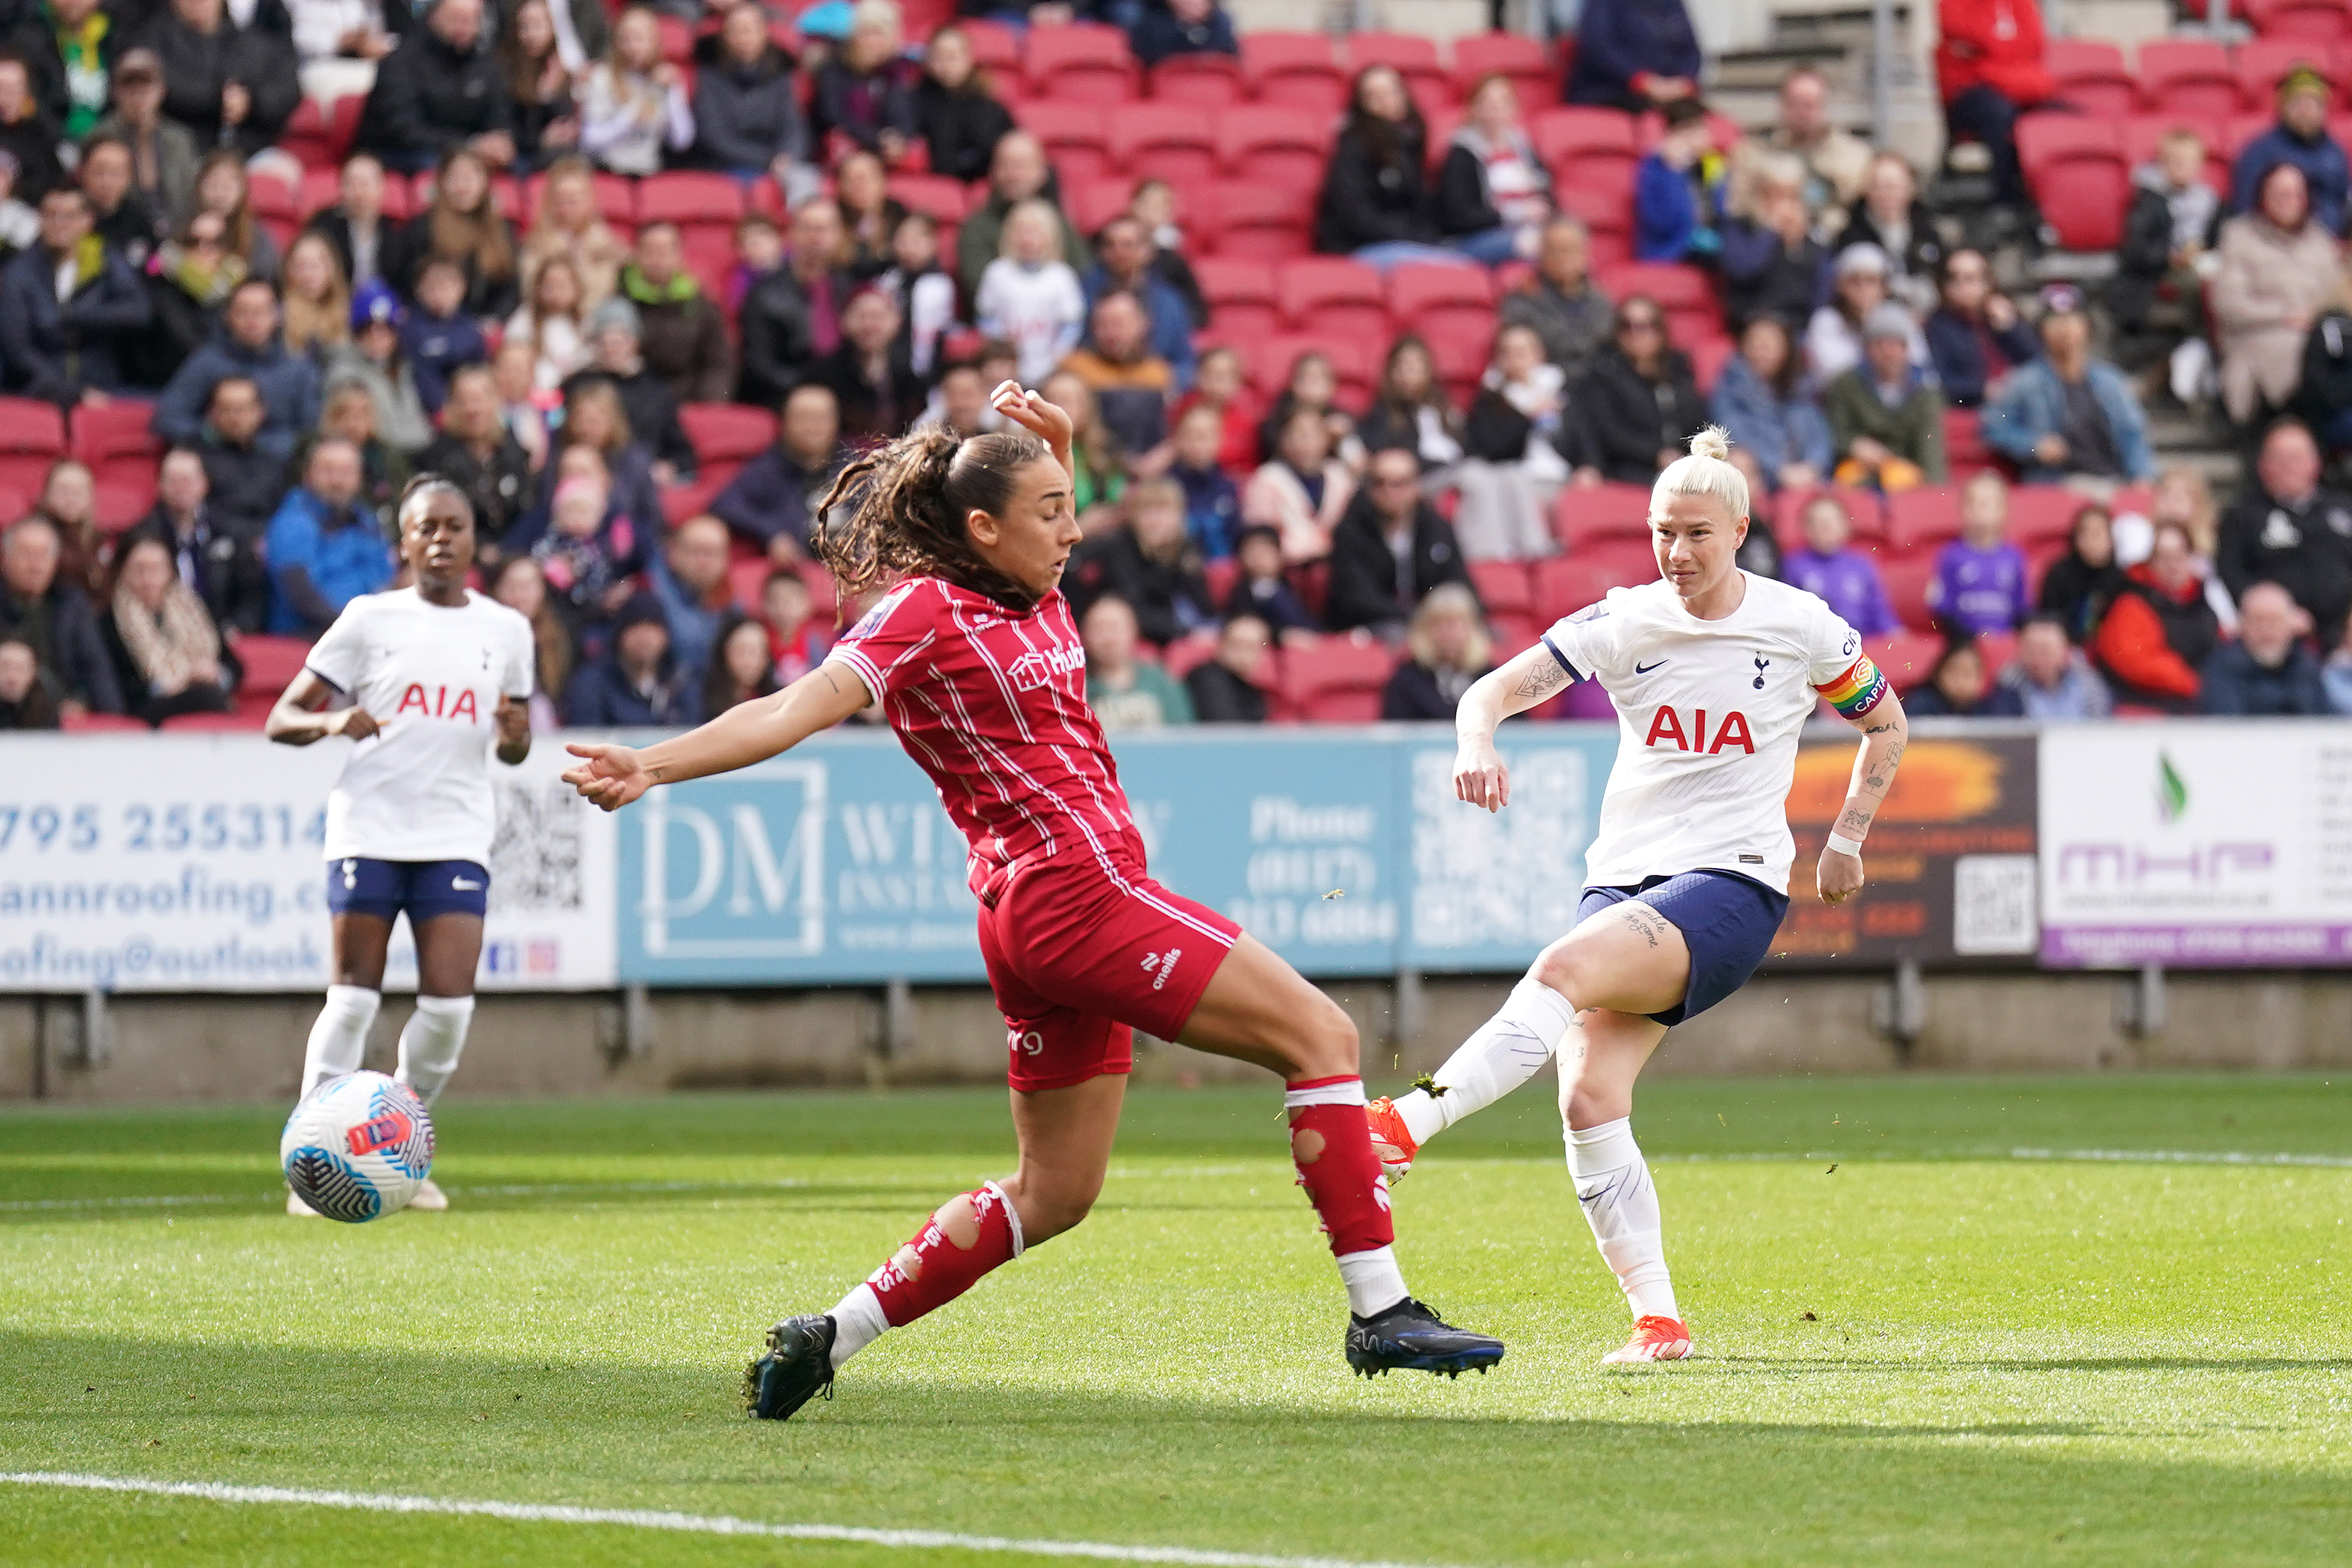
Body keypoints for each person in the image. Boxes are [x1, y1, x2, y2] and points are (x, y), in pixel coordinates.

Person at [563, 387, 1504, 1417]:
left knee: (1054, 1192)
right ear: (982, 529)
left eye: (1070, 505)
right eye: (1051, 510)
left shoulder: (1031, 590)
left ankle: (831, 1334)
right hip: (1078, 892)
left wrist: (1053, 451)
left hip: (1030, 913)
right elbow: (796, 707)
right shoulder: (924, 615)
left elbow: (1041, 523)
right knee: (1320, 1034)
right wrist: (653, 763)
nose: (1070, 529)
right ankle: (1381, 1311)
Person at [1363, 426, 1909, 1366]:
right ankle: (1658, 1321)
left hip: (1731, 883)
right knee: (1585, 1095)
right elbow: (1485, 693)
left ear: (1739, 529)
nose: (1676, 552)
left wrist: (1846, 838)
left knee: (1562, 970)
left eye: (1696, 533)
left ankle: (1403, 1125)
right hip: (1623, 877)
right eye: (1661, 532)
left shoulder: (1801, 624)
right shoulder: (1623, 622)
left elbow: (1886, 724)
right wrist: (1474, 742)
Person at [269, 476, 533, 1215]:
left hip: (456, 831)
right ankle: (314, 1165)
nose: (442, 538)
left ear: (474, 538)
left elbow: (512, 745)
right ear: (406, 543)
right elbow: (282, 717)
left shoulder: (506, 630)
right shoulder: (367, 618)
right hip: (370, 826)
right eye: (427, 528)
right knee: (352, 997)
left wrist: (518, 739)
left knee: (448, 1012)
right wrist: (331, 723)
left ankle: (394, 1150)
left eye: (456, 525)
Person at [1981, 290, 2157, 486]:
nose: (2065, 328)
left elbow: (2132, 434)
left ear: (2086, 327)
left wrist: (2143, 477)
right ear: (2042, 330)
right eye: (2055, 322)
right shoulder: (2025, 381)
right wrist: (2033, 446)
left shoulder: (2110, 381)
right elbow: (1994, 426)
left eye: (2072, 320)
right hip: (2054, 483)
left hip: (2113, 480)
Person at [2211, 162, 2340, 430]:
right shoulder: (2238, 236)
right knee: (2297, 349)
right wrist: (2284, 315)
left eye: (2295, 194)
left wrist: (2316, 317)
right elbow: (2228, 304)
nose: (2288, 202)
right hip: (2257, 334)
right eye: (2279, 194)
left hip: (2317, 329)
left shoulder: (2320, 239)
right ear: (2263, 196)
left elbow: (2337, 294)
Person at [0, 185, 148, 408]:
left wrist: (75, 315)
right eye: (51, 215)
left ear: (87, 221)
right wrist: (73, 393)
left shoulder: (105, 259)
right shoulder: (18, 272)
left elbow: (138, 311)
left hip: (105, 384)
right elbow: (17, 349)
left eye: (69, 216)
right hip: (41, 391)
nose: (60, 224)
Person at [2215, 419, 2352, 644]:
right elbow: (2231, 574)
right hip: (2275, 639)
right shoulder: (2242, 517)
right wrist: (2274, 614)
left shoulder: (2344, 510)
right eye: (2278, 459)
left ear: (2316, 463)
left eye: (2296, 458)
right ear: (2262, 466)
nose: (2288, 466)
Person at [154, 278, 322, 460]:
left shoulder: (298, 370)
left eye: (260, 312)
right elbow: (168, 418)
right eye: (243, 312)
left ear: (276, 316)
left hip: (275, 466)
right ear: (228, 317)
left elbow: (309, 435)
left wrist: (255, 443)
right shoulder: (206, 362)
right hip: (214, 463)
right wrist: (214, 435)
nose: (252, 321)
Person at [356, 0, 514, 175]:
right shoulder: (400, 63)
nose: (465, 27)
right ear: (434, 17)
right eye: (458, 19)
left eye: (473, 20)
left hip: (467, 156)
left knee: (518, 166)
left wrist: (500, 142)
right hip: (400, 157)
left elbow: (499, 117)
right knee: (441, 167)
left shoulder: (486, 66)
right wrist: (469, 145)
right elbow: (404, 131)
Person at [1454, 322, 1570, 563]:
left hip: (1559, 476)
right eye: (1506, 353)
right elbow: (1493, 450)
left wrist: (1589, 466)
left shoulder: (1561, 389)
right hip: (1516, 478)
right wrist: (1528, 417)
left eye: (1521, 352)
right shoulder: (1491, 399)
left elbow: (1581, 437)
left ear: (1539, 355)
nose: (1514, 360)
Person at [1564, 298, 1709, 487]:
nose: (1635, 334)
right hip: (1626, 470)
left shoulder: (1678, 371)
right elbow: (1609, 432)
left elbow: (1697, 422)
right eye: (1627, 326)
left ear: (1660, 331)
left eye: (1645, 326)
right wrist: (1656, 454)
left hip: (1681, 465)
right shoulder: (1603, 374)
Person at [1316, 66, 1449, 269]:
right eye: (1374, 96)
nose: (1386, 101)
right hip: (1359, 247)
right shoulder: (1353, 147)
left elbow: (1420, 206)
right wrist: (1409, 235)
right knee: (1448, 268)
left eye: (1392, 92)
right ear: (1362, 104)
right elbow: (1356, 215)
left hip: (1404, 241)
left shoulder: (1410, 141)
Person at [129, 446, 270, 635]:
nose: (180, 489)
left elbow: (251, 592)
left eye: (187, 481)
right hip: (164, 635)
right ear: (160, 486)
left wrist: (238, 627)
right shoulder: (143, 537)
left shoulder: (227, 531)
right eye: (173, 482)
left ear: (204, 484)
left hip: (220, 634)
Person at [263, 439, 395, 636]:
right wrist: (348, 629)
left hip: (367, 633)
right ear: (307, 475)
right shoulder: (293, 522)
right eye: (327, 470)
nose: (337, 481)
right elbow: (300, 594)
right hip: (310, 638)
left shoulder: (367, 522)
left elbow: (386, 581)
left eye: (347, 472)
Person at [137, 0, 299, 161]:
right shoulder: (153, 41)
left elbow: (287, 89)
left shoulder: (251, 43)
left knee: (279, 171)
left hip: (250, 150)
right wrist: (218, 99)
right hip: (178, 153)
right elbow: (163, 86)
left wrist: (251, 101)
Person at [103, 533, 236, 726]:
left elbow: (234, 666)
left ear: (170, 572)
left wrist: (216, 673)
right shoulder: (109, 620)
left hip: (205, 692)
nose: (148, 579)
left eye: (157, 569)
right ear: (122, 572)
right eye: (139, 570)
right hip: (148, 707)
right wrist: (172, 684)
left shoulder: (191, 609)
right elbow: (117, 684)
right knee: (209, 698)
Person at [2112, 129, 2216, 371]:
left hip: (2199, 261)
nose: (2184, 169)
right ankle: (2196, 343)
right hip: (2157, 271)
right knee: (2195, 285)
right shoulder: (2148, 199)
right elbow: (2136, 248)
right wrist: (2169, 257)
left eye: (2191, 163)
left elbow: (2214, 234)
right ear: (2163, 164)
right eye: (2177, 162)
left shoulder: (2208, 200)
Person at [1066, 478, 1215, 647]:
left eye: (1163, 511)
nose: (1155, 521)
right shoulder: (1119, 546)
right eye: (1147, 512)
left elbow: (1201, 604)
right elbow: (1135, 609)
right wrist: (1185, 632)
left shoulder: (1186, 549)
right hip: (1123, 628)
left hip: (1168, 627)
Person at [1935, 0, 2054, 207]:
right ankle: (2006, 200)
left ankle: (2052, 198)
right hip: (1970, 91)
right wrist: (2008, 56)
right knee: (2000, 114)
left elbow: (2035, 42)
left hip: (2019, 87)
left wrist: (1992, 57)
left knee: (2062, 114)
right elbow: (1961, 30)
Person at [565, 298, 696, 486]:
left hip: (644, 475)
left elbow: (679, 448)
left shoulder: (655, 389)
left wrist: (670, 467)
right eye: (605, 342)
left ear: (634, 342)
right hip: (588, 473)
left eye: (618, 341)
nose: (611, 349)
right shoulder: (579, 384)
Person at [738, 197, 855, 408]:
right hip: (785, 398)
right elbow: (760, 366)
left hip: (843, 398)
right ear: (792, 234)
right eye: (807, 229)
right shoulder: (765, 294)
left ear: (839, 236)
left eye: (824, 230)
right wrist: (807, 392)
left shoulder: (849, 288)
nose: (815, 238)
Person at [0, 515, 123, 715]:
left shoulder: (71, 602)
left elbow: (95, 667)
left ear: (55, 561)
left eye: (43, 555)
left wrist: (112, 721)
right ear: (6, 559)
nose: (35, 565)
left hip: (69, 719)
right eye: (25, 554)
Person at [2090, 520, 2219, 711]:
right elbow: (2135, 661)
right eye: (2164, 557)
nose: (2173, 565)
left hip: (2199, 701)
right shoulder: (2131, 603)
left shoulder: (2202, 597)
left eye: (2180, 556)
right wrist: (2195, 684)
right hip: (2147, 706)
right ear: (2150, 562)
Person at [1724, 67, 1871, 230]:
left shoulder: (1854, 156)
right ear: (1782, 105)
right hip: (1769, 239)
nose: (1801, 113)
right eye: (1793, 104)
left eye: (1809, 105)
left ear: (1824, 106)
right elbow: (1738, 205)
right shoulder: (1753, 152)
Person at [384, 146, 520, 321]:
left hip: (485, 321)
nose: (463, 186)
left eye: (470, 178)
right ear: (442, 183)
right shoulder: (423, 227)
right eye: (455, 178)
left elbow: (512, 287)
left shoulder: (503, 229)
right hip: (430, 322)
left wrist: (495, 319)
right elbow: (405, 280)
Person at [715, 384, 846, 560]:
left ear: (836, 423)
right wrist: (772, 533)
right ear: (784, 423)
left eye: (821, 418)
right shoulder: (768, 469)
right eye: (803, 418)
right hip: (798, 570)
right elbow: (727, 504)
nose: (813, 427)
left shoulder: (853, 466)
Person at [1824, 303, 1947, 490]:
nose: (1888, 352)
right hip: (1856, 470)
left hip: (1903, 474)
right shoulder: (1845, 385)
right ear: (1867, 348)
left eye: (1895, 344)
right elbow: (1832, 430)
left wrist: (1935, 491)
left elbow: (1930, 447)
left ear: (1906, 349)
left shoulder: (1924, 392)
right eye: (1879, 344)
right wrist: (1853, 444)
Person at [1436, 75, 1553, 266]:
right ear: (1473, 108)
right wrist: (1514, 214)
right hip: (1477, 237)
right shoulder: (1462, 152)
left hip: (1530, 229)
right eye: (1487, 102)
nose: (1495, 108)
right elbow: (1460, 215)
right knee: (1540, 245)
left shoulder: (1522, 145)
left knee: (1568, 237)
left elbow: (1545, 186)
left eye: (1503, 101)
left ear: (1515, 107)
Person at [954, 132, 1085, 302]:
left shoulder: (1057, 222)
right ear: (993, 172)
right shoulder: (977, 227)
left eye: (1022, 166)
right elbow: (980, 291)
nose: (1013, 175)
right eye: (1006, 166)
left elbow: (1082, 276)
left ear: (1042, 173)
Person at [420, 364, 534, 558]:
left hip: (515, 553)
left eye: (480, 400)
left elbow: (529, 509)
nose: (473, 409)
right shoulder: (435, 458)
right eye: (463, 401)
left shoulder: (513, 451)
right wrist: (480, 549)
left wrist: (510, 550)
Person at [1709, 315, 1830, 497]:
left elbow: (1818, 435)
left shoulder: (1801, 389)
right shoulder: (1729, 389)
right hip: (1761, 476)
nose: (1761, 353)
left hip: (1804, 476)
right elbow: (1732, 434)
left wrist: (1813, 467)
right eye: (1755, 345)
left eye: (1768, 346)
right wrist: (1778, 470)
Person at [619, 223, 733, 406]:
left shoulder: (701, 305)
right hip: (634, 400)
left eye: (664, 252)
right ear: (636, 254)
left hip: (687, 397)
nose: (657, 260)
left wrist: (709, 404)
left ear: (679, 255)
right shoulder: (619, 301)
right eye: (649, 252)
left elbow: (717, 363)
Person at [977, 198, 1085, 390]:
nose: (1028, 239)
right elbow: (986, 318)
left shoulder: (1061, 276)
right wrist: (1002, 351)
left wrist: (1057, 357)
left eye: (1036, 232)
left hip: (1049, 368)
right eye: (1021, 231)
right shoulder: (997, 273)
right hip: (1005, 370)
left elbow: (1072, 323)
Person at [693, 2, 805, 185]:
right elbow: (713, 135)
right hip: (726, 165)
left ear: (764, 34)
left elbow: (792, 127)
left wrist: (787, 156)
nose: (742, 38)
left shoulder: (781, 76)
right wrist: (767, 160)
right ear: (724, 37)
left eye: (747, 30)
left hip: (778, 164)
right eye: (735, 31)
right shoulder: (710, 76)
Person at [1081, 216, 1195, 392]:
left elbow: (1184, 361)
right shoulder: (1084, 295)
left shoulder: (1169, 302)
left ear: (1148, 251)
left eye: (1128, 245)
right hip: (1096, 390)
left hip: (1152, 392)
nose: (1118, 252)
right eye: (1111, 245)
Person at [90, 50, 198, 234]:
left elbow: (189, 197)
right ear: (116, 92)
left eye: (146, 86)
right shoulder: (100, 138)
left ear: (161, 90)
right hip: (118, 235)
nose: (139, 96)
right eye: (130, 88)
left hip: (176, 235)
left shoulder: (180, 140)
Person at [1717, 155, 1828, 334]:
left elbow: (1821, 290)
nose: (1785, 205)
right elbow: (1742, 270)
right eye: (1777, 196)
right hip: (1752, 327)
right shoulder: (1741, 227)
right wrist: (1770, 233)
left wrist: (1796, 248)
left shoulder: (1810, 237)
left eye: (1793, 196)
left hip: (1798, 330)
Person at [2232, 67, 2348, 236]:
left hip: (2331, 246)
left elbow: (2344, 199)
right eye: (2298, 103)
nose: (2305, 111)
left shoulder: (2335, 152)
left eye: (2313, 104)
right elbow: (2245, 209)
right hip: (2276, 244)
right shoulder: (2259, 152)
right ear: (2283, 108)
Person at [580, 6, 694, 177]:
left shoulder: (665, 78)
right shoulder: (602, 77)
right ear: (616, 42)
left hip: (650, 169)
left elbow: (682, 141)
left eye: (640, 39)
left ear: (654, 42)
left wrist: (670, 93)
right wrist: (631, 117)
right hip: (608, 169)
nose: (633, 46)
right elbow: (589, 140)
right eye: (626, 39)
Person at [1058, 289, 1173, 454]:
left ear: (1143, 324)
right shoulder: (1075, 370)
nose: (1111, 334)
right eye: (1103, 325)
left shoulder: (1158, 374)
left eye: (1119, 324)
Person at [808, 285, 926, 445]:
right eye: (861, 317)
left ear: (896, 322)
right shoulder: (823, 375)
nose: (870, 327)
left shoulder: (908, 374)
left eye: (878, 317)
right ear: (844, 320)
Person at [1500, 217, 1613, 384]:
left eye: (1570, 249)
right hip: (1543, 390)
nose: (1562, 258)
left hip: (1597, 390)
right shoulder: (1522, 300)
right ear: (1541, 254)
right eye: (1554, 250)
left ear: (1585, 253)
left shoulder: (1602, 303)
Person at [325, 279, 431, 455]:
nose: (377, 336)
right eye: (368, 329)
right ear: (356, 334)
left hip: (413, 452)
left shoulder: (401, 368)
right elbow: (373, 433)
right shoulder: (345, 375)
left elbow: (418, 423)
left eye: (385, 329)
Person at [1924, 247, 2037, 409]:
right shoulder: (1939, 327)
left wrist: (2011, 328)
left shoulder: (2005, 315)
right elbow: (1941, 382)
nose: (1962, 286)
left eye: (1970, 279)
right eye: (1954, 279)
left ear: (1987, 282)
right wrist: (1982, 390)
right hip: (1978, 406)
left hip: (2021, 398)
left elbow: (2038, 362)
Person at [559, 587, 693, 723]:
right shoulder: (592, 684)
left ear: (666, 636)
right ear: (619, 635)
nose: (644, 638)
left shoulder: (681, 682)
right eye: (636, 627)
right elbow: (587, 734)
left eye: (652, 627)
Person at [1244, 405, 1354, 565]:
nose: (1307, 441)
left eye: (1314, 433)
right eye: (1299, 434)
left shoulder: (1340, 477)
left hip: (1336, 567)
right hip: (1288, 569)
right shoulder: (1267, 479)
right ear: (1283, 439)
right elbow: (1262, 538)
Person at [1924, 472, 2029, 637]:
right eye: (1971, 503)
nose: (1978, 509)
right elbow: (1942, 607)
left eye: (1986, 504)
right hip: (1964, 645)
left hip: (2004, 644)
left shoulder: (2014, 557)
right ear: (1961, 510)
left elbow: (2021, 609)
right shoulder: (1950, 556)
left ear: (2004, 510)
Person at [810, 0, 915, 161]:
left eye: (879, 34)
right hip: (839, 153)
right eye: (867, 32)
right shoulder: (833, 69)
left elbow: (904, 118)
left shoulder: (895, 72)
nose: (872, 41)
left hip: (882, 153)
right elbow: (833, 117)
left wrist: (897, 139)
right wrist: (877, 139)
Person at [1804, 244, 1923, 386]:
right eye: (1855, 281)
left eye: (1870, 281)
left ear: (1884, 287)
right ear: (1840, 286)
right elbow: (1832, 375)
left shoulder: (1898, 318)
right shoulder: (1826, 320)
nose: (1863, 289)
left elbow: (1921, 367)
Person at [1781, 493, 1898, 635]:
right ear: (1806, 529)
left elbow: (1881, 615)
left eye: (1832, 521)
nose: (1826, 528)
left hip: (1862, 645)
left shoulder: (1862, 565)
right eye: (1818, 523)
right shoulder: (1793, 566)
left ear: (1846, 525)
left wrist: (1897, 637)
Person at [520, 156, 625, 310]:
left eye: (573, 201)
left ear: (590, 201)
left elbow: (606, 289)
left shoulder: (605, 244)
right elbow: (530, 287)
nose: (566, 208)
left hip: (594, 316)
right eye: (560, 201)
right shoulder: (537, 242)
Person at [190, 377, 288, 540]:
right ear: (211, 413)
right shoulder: (195, 461)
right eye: (226, 409)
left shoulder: (275, 463)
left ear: (261, 412)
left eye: (243, 409)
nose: (235, 418)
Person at [912, 24, 1011, 185]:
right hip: (938, 184)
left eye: (952, 57)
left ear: (969, 58)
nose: (946, 65)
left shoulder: (990, 106)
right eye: (939, 57)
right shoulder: (915, 102)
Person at [1838, 153, 1939, 312]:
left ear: (1910, 190)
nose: (1884, 194)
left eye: (1891, 187)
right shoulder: (1850, 238)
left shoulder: (1928, 233)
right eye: (1877, 186)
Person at [1378, 583, 1492, 720]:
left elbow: (1518, 731)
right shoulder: (1407, 681)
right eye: (1438, 624)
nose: (1448, 634)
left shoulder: (1491, 678)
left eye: (1455, 624)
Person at [1354, 336, 1463, 479]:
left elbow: (1465, 445)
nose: (1409, 374)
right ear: (1391, 373)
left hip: (1456, 471)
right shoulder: (1385, 412)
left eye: (1416, 366)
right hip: (1417, 480)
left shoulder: (1443, 406)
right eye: (1403, 366)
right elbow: (1392, 455)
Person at [487, 553, 572, 730]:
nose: (519, 596)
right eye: (511, 587)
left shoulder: (559, 639)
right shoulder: (483, 638)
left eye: (527, 587)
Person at [1568, 0, 1702, 112]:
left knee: (1701, 118)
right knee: (1659, 118)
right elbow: (1598, 48)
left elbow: (1691, 52)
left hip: (1672, 92)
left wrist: (1684, 82)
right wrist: (1645, 83)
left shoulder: (1671, 4)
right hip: (1611, 92)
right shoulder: (1603, 4)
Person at [496, 0, 582, 170]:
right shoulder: (507, 71)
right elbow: (507, 129)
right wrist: (542, 139)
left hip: (566, 156)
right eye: (524, 27)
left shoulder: (571, 67)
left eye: (537, 26)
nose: (530, 34)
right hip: (526, 158)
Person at [1632, 97, 1720, 264]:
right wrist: (1673, 171)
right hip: (1670, 251)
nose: (1700, 139)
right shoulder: (1654, 169)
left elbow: (1723, 213)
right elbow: (1665, 222)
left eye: (1702, 129)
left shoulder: (1711, 164)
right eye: (1691, 132)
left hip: (1709, 248)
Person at [648, 513, 735, 678]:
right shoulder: (651, 590)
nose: (704, 561)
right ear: (672, 554)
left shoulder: (732, 604)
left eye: (712, 553)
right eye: (695, 551)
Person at [400, 259, 490, 416]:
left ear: (462, 288)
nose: (439, 293)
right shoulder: (410, 330)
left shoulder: (470, 328)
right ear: (418, 290)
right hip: (429, 412)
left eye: (446, 285)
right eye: (432, 286)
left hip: (469, 409)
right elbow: (420, 377)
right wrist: (444, 409)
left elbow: (481, 371)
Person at [2036, 501, 2124, 642]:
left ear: (2111, 538)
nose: (2090, 541)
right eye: (2083, 533)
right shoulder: (2059, 575)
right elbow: (2048, 621)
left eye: (2097, 534)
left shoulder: (2122, 580)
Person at [189, 148, 280, 282]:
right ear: (199, 188)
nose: (220, 195)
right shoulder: (185, 227)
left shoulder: (256, 236)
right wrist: (191, 239)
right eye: (213, 185)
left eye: (227, 187)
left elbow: (264, 279)